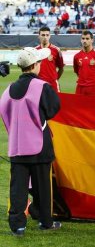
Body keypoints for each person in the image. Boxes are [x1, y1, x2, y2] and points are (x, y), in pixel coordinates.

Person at [0, 47, 62, 236]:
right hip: (39, 145)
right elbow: (53, 108)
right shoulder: (42, 86)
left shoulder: (8, 89)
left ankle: (17, 225)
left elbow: (4, 114)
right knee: (42, 186)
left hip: (17, 146)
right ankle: (45, 221)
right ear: (34, 65)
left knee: (18, 188)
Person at [73, 30, 95, 96]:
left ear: (92, 40)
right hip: (80, 87)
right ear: (81, 40)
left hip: (94, 87)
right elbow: (77, 71)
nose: (85, 41)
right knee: (79, 106)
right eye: (83, 38)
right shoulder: (76, 56)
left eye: (87, 38)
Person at [35, 26, 64, 92]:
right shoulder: (35, 51)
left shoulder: (56, 50)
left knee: (56, 102)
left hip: (53, 84)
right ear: (39, 36)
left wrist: (55, 79)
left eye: (47, 35)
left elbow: (61, 68)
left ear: (50, 36)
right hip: (39, 84)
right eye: (43, 35)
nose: (45, 37)